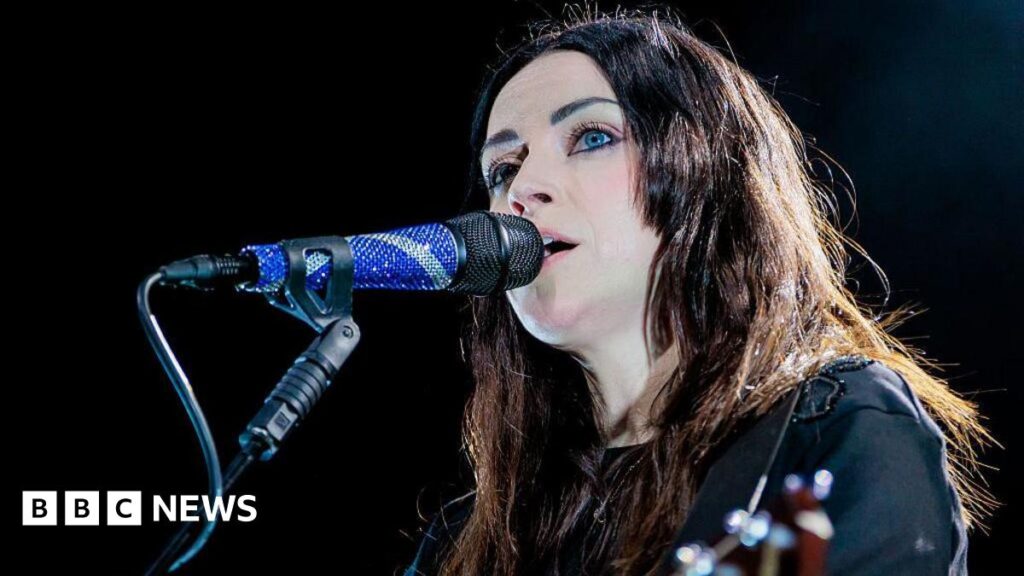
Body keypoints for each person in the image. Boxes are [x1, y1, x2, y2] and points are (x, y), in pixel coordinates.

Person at [402, 8, 994, 576]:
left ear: (706, 172)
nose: (523, 189)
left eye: (590, 137)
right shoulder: (470, 539)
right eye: (502, 168)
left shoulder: (835, 431)